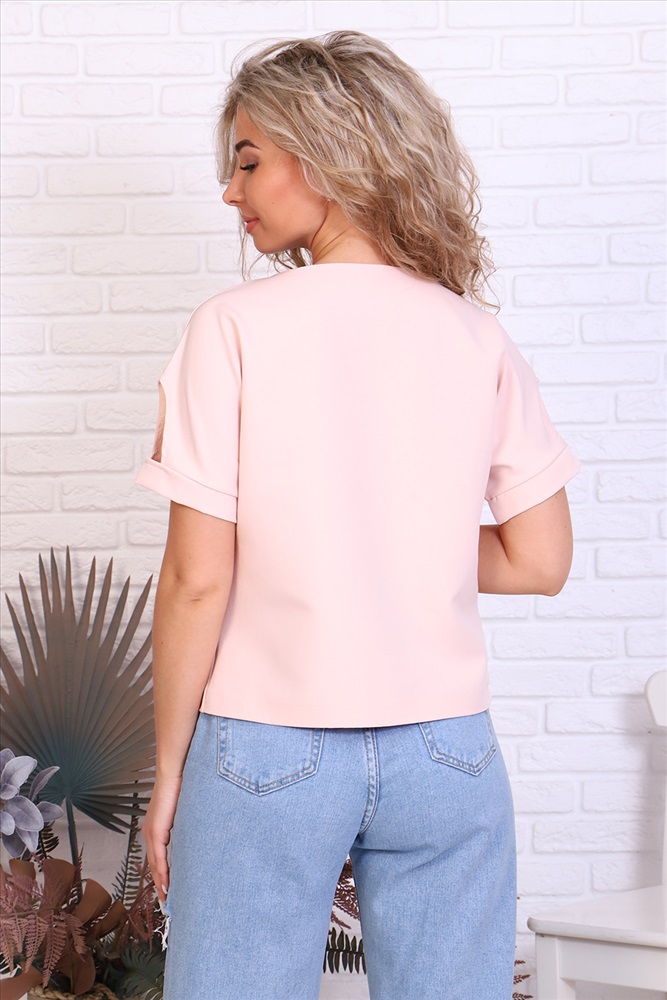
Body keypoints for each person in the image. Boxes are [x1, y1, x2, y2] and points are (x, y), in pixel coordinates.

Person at [136, 30, 581, 1000]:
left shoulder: (234, 328)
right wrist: (397, 536)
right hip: (446, 753)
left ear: (327, 152)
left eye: (248, 161)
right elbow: (539, 559)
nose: (230, 190)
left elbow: (198, 580)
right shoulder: (473, 333)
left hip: (266, 745)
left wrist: (169, 771)